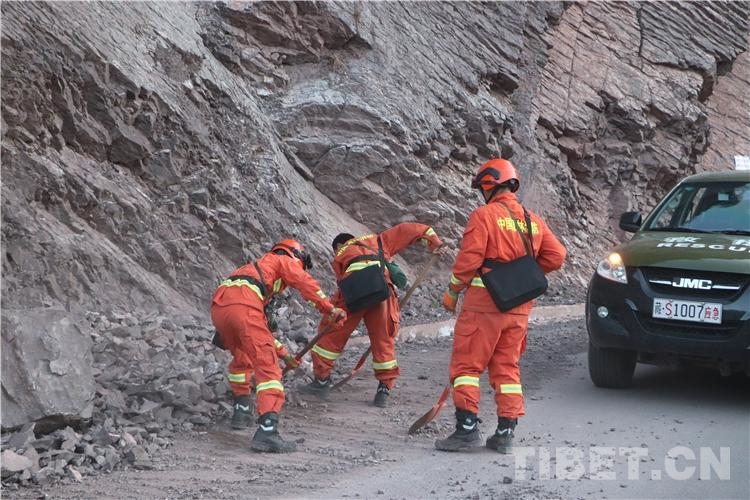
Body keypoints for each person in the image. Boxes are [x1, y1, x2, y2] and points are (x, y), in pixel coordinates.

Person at [435, 158, 566, 453]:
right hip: (518, 307)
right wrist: (522, 275)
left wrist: (453, 290)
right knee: (507, 367)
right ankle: (505, 432)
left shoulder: (484, 215)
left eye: (482, 187)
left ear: (490, 184)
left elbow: (469, 259)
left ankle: (466, 430)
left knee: (467, 366)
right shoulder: (533, 220)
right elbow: (557, 256)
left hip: (484, 306)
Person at [211, 239, 347, 453]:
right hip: (244, 307)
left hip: (220, 309)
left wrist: (285, 355)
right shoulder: (283, 260)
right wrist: (329, 309)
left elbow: (260, 333)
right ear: (296, 255)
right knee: (269, 370)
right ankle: (267, 432)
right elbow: (304, 282)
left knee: (242, 357)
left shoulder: (252, 270)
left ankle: (241, 410)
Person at [298, 223, 443, 407]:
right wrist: (434, 241)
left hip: (353, 294)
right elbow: (409, 230)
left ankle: (321, 382)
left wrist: (332, 312)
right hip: (381, 292)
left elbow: (342, 283)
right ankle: (384, 390)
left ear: (338, 246)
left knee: (330, 335)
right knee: (383, 340)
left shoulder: (341, 253)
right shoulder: (379, 240)